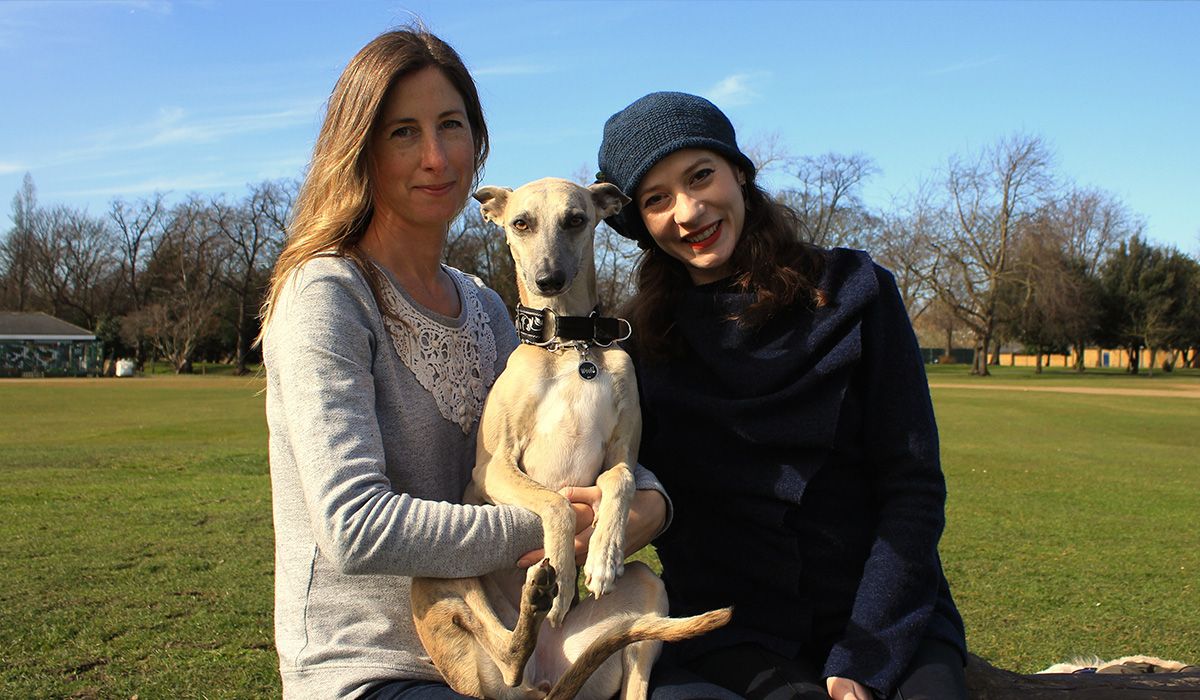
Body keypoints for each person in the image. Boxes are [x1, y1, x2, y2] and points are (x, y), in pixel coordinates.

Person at [258, 29, 667, 700]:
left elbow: (558, 446)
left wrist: (649, 503)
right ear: (358, 149)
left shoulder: (483, 304)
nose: (436, 156)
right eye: (402, 133)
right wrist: (554, 525)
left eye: (451, 126)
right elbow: (355, 530)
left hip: (520, 636)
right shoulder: (326, 295)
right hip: (372, 666)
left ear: (477, 142)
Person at [595, 92, 968, 700]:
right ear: (641, 222)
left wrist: (863, 658)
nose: (687, 212)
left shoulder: (857, 292)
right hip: (732, 634)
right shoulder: (640, 347)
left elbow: (914, 487)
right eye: (656, 199)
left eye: (700, 176)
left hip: (884, 617)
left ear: (739, 172)